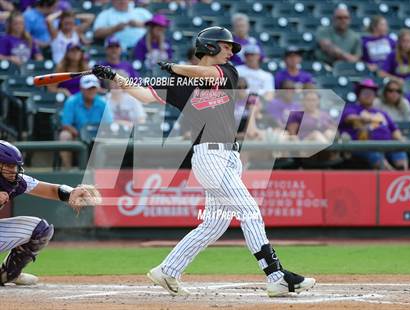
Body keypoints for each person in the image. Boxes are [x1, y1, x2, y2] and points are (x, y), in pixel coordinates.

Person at [92, 26, 315, 298]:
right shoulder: (179, 83)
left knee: (214, 223)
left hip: (229, 156)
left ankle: (168, 270)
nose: (231, 52)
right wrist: (114, 76)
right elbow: (143, 93)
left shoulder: (227, 73)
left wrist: (174, 68)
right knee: (249, 211)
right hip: (210, 156)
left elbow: (206, 73)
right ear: (209, 46)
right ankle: (276, 275)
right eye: (226, 46)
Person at [0, 140, 100, 286]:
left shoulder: (16, 181)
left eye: (15, 166)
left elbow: (52, 190)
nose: (14, 170)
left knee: (41, 229)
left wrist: (72, 192)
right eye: (9, 166)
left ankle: (7, 274)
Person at [340, 79, 408, 170]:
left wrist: (401, 141)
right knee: (376, 156)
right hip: (363, 146)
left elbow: (394, 130)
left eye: (371, 93)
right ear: (359, 95)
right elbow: (348, 118)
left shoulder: (382, 113)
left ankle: (403, 176)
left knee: (400, 153)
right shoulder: (352, 108)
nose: (369, 95)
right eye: (365, 93)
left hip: (387, 145)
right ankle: (393, 176)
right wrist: (363, 119)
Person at [59, 75, 113, 168]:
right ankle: (67, 169)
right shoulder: (71, 101)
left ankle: (100, 171)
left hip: (97, 136)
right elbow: (66, 124)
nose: (91, 91)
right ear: (81, 88)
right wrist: (79, 133)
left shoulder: (103, 103)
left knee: (109, 137)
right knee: (64, 135)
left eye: (93, 88)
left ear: (97, 89)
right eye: (88, 88)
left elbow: (107, 125)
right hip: (77, 134)